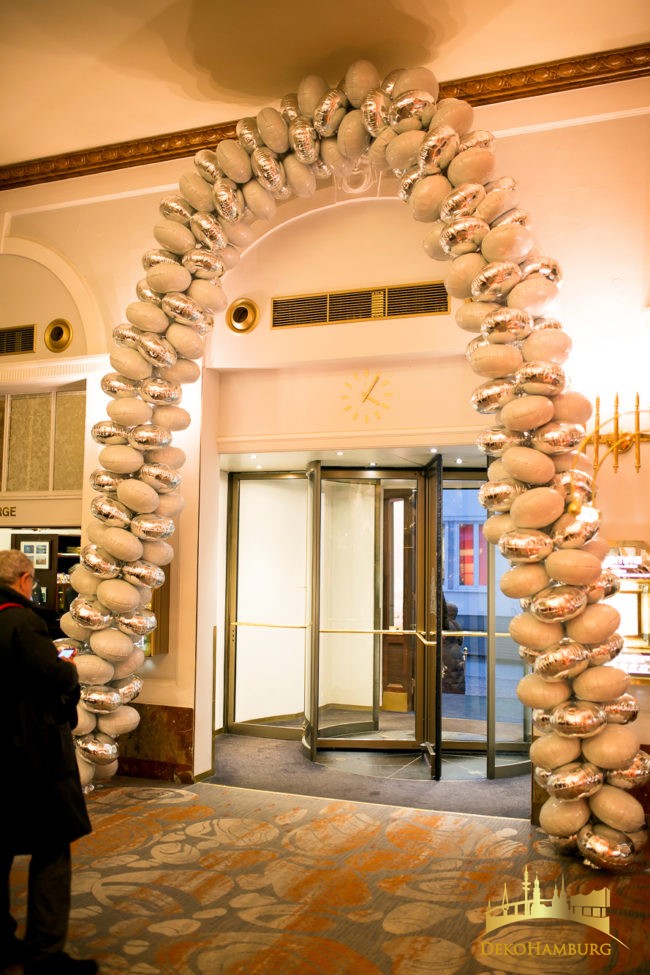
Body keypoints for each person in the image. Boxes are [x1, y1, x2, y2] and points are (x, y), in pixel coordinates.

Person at [0, 550, 98, 974]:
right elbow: (55, 676)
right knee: (52, 847)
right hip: (32, 756)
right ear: (24, 580)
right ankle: (45, 954)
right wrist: (67, 667)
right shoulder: (21, 622)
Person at [441, 597, 466, 694]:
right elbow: (460, 641)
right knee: (456, 678)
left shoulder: (447, 625)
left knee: (449, 679)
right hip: (456, 654)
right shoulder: (457, 625)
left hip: (448, 655)